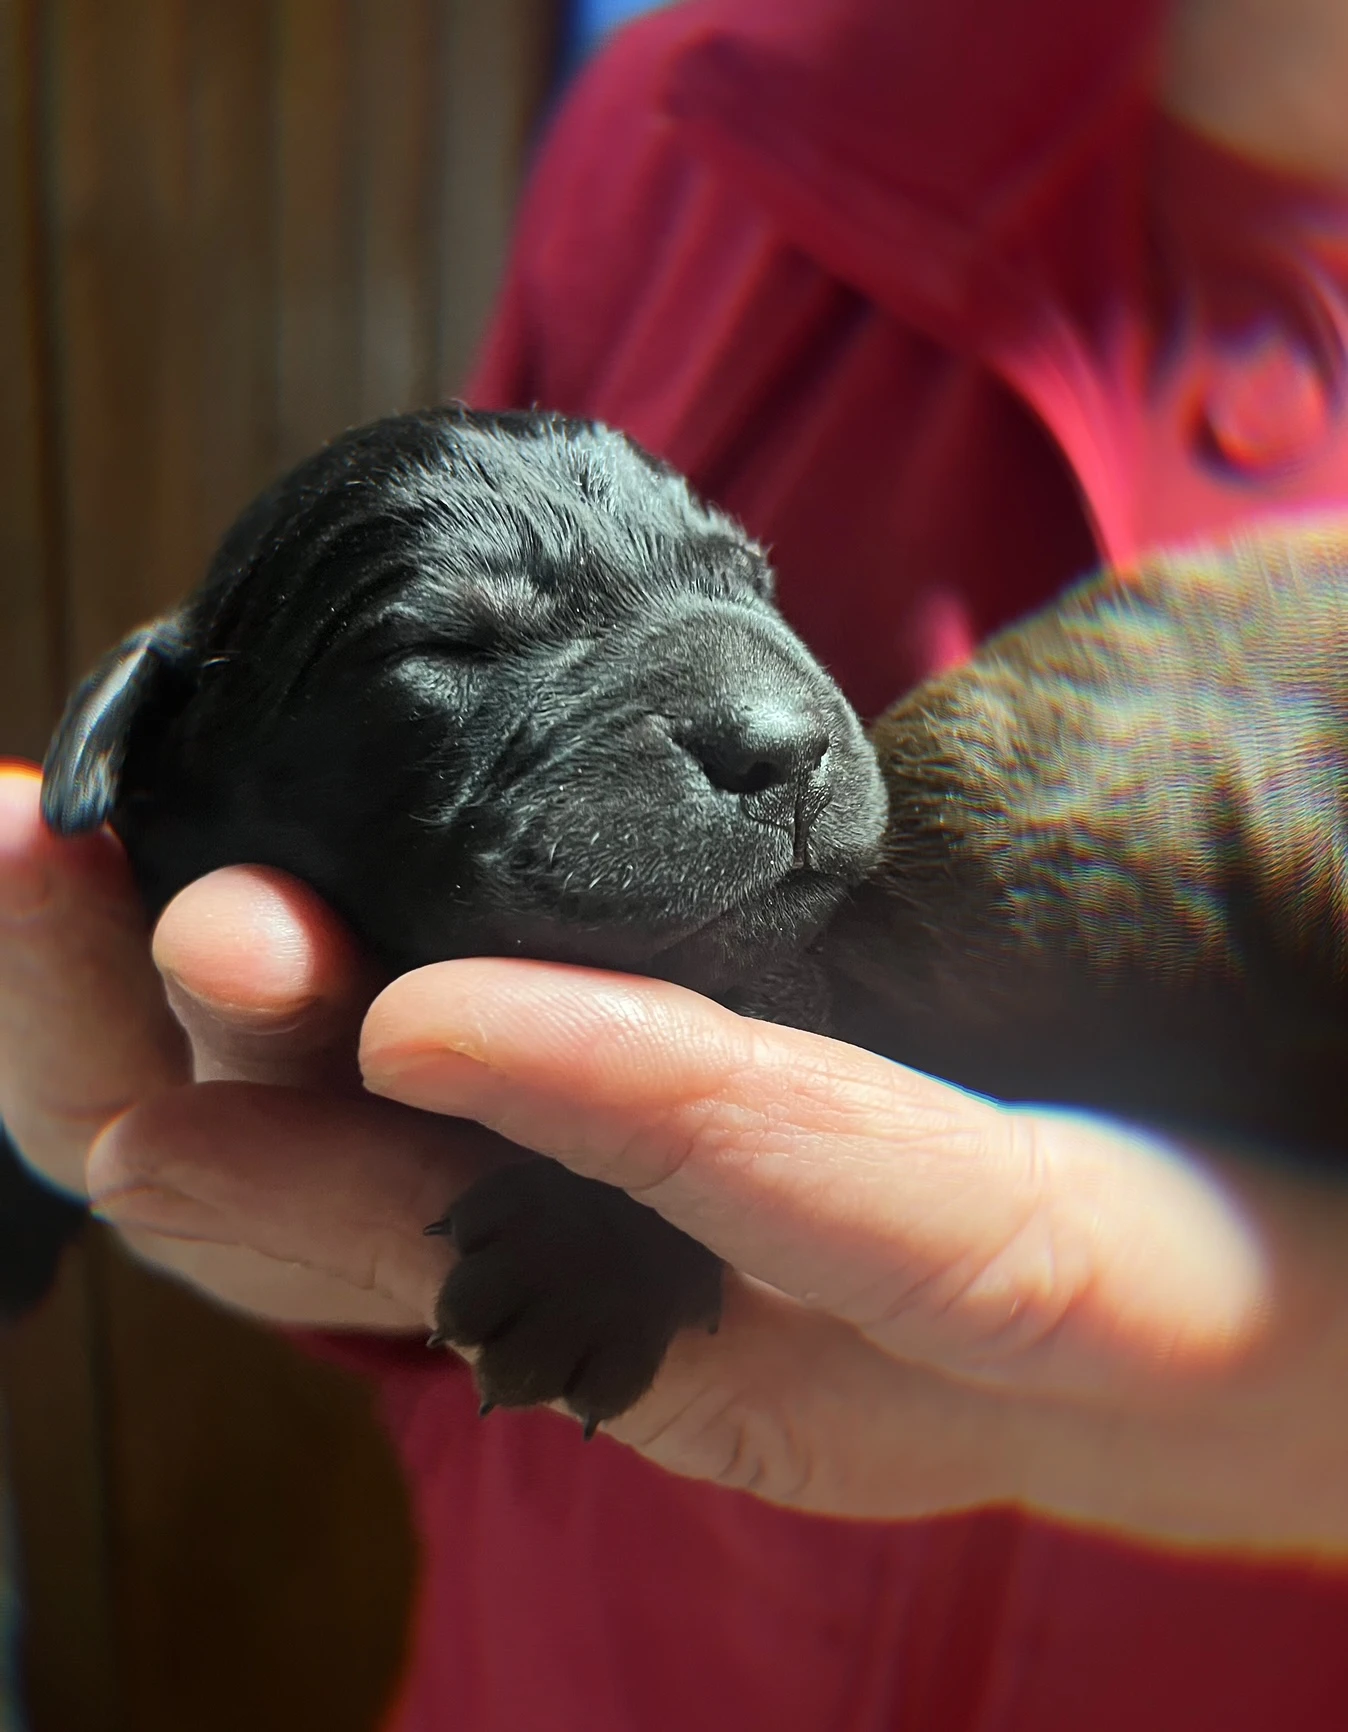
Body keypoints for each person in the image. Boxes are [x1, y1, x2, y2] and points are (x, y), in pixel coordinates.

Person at [3, 0, 1348, 1727]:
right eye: (456, 651)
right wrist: (377, 1257)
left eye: (745, 583)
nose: (779, 713)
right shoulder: (694, 115)